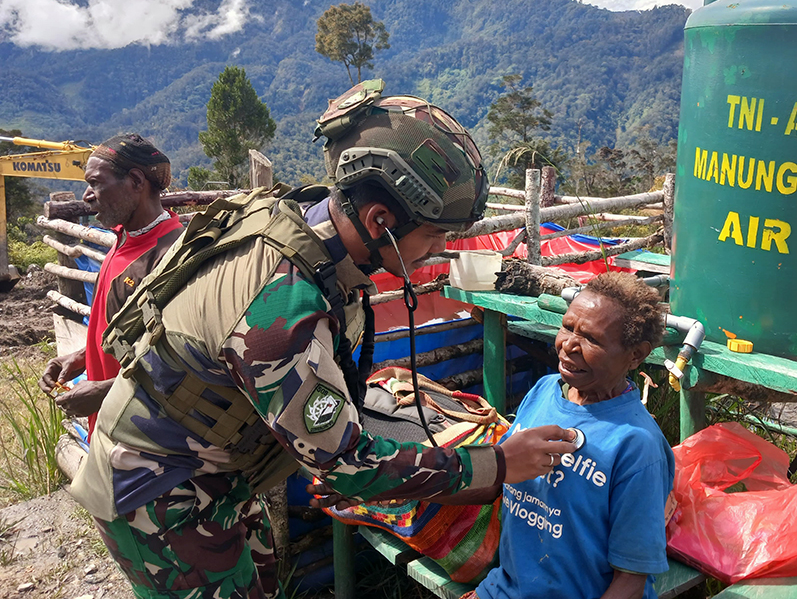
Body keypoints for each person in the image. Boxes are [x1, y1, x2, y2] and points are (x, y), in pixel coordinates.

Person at [68, 80, 578, 599]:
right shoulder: (279, 303)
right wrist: (498, 464)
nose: (438, 250)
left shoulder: (303, 229)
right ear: (380, 220)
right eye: (432, 235)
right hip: (159, 494)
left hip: (218, 473)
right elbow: (345, 464)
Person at [454, 272, 675, 599]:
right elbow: (494, 482)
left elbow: (630, 582)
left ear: (636, 354)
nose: (569, 345)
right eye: (568, 327)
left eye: (592, 339)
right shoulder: (546, 391)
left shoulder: (636, 445)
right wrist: (408, 486)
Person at [39, 134, 183, 437]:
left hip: (148, 444)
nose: (88, 195)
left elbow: (181, 363)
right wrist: (81, 356)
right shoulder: (123, 239)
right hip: (114, 433)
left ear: (135, 181)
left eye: (97, 183)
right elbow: (126, 333)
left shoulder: (172, 256)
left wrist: (105, 391)